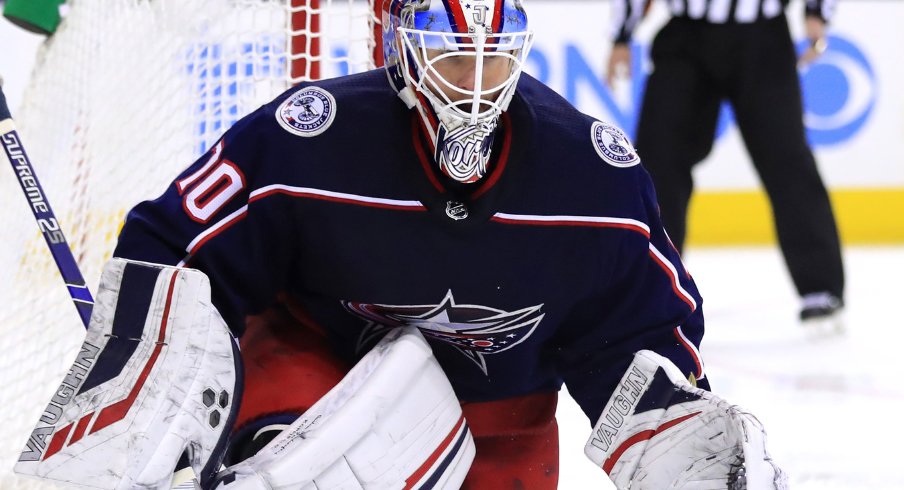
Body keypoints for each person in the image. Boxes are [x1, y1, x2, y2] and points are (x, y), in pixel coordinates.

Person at [37, 0, 783, 488]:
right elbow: (172, 251)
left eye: (495, 54)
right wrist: (154, 393)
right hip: (312, 384)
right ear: (401, 47)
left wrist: (673, 429)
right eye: (454, 54)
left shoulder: (591, 176)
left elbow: (635, 333)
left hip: (502, 420)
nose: (477, 82)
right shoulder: (308, 140)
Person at [607, 0, 845, 328]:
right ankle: (651, 285)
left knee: (786, 158)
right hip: (686, 36)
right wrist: (622, 34)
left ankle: (820, 286)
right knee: (659, 161)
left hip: (762, 37)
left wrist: (818, 12)